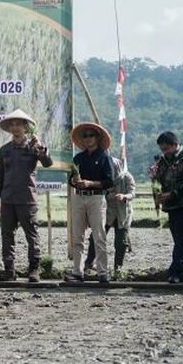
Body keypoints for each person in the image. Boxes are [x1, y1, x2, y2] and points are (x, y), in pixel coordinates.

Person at [0, 109, 52, 282]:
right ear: (10, 128)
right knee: (7, 235)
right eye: (13, 124)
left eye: (19, 124)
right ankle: (9, 270)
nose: (16, 128)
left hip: (27, 199)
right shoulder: (4, 150)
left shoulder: (34, 147)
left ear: (26, 127)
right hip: (8, 199)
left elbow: (47, 163)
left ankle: (34, 270)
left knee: (32, 235)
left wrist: (40, 149)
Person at [66, 121, 116, 283]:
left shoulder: (104, 158)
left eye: (91, 135)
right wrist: (75, 181)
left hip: (96, 197)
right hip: (79, 197)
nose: (88, 138)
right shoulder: (78, 158)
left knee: (99, 236)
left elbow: (109, 182)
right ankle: (77, 271)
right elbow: (70, 180)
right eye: (85, 136)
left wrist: (90, 183)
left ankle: (102, 272)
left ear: (97, 138)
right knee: (77, 236)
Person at [155, 131, 183, 283]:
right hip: (171, 205)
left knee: (181, 238)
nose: (164, 152)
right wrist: (154, 174)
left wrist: (171, 194)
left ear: (175, 145)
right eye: (162, 150)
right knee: (182, 239)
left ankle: (176, 272)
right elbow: (160, 179)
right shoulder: (163, 160)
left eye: (166, 149)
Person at [85, 156, 136, 273]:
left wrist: (124, 196)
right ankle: (88, 263)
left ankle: (118, 268)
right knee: (95, 237)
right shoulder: (104, 179)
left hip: (123, 213)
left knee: (121, 242)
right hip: (107, 212)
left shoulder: (126, 177)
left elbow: (132, 192)